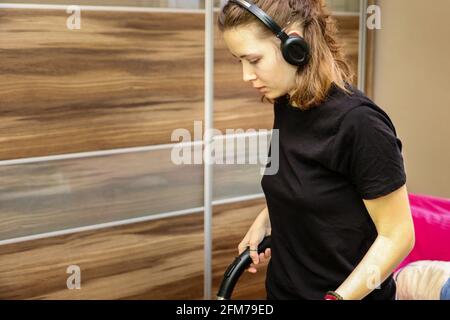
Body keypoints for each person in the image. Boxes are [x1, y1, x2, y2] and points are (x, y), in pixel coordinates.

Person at [218, 0, 415, 300]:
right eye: (239, 61)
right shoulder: (289, 103)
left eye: (254, 60)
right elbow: (315, 189)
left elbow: (398, 236)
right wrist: (267, 217)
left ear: (293, 42)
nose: (246, 75)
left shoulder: (360, 124)